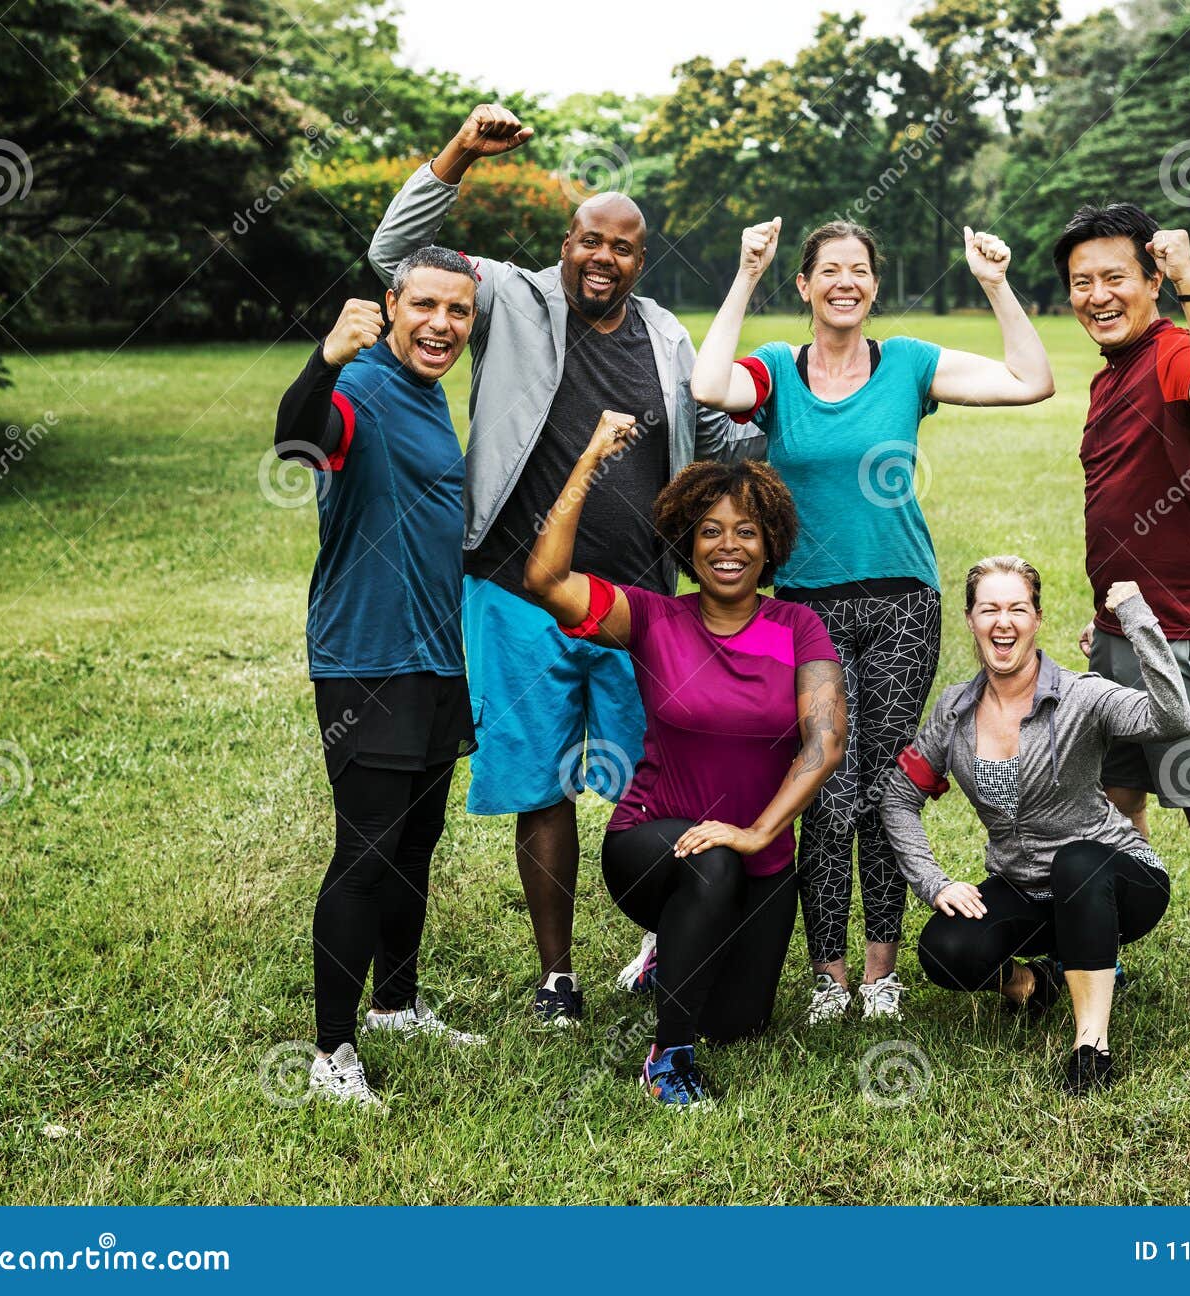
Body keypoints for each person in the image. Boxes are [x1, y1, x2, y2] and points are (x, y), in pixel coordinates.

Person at [366, 104, 761, 1028]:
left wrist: (798, 430)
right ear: (566, 244)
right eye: (589, 241)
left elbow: (713, 431)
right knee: (541, 787)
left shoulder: (666, 335)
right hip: (514, 593)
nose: (602, 259)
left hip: (636, 604)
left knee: (653, 782)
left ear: (640, 260)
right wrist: (459, 152)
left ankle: (664, 946)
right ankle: (556, 977)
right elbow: (396, 258)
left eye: (622, 248)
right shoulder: (509, 296)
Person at [684, 216, 1054, 1025]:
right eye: (829, 270)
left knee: (886, 787)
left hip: (900, 604)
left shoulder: (910, 365)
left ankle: (881, 975)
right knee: (826, 786)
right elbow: (709, 386)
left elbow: (1032, 380)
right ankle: (830, 978)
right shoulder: (778, 371)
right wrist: (747, 272)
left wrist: (995, 283)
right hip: (807, 608)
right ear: (807, 285)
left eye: (860, 270)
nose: (846, 282)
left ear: (873, 286)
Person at [523, 412, 846, 1106]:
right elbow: (546, 579)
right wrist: (587, 463)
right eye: (710, 531)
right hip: (651, 845)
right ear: (686, 542)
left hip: (760, 859)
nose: (728, 547)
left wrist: (759, 832)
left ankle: (672, 958)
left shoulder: (799, 626)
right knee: (711, 859)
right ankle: (666, 1059)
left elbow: (826, 743)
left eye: (746, 532)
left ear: (771, 545)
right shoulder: (651, 617)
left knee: (740, 1024)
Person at [274, 246, 486, 1109]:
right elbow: (296, 436)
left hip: (436, 658)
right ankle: (331, 1053)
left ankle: (395, 1001)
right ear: (392, 305)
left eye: (460, 312)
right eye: (426, 305)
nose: (442, 324)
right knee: (365, 853)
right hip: (370, 660)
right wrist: (324, 357)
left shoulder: (430, 397)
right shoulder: (357, 385)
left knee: (413, 845)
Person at [1053, 203, 1190, 1047]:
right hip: (1121, 635)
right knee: (1117, 803)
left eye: (1115, 277)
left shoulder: (1174, 345)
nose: (1098, 295)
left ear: (1150, 280)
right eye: (1082, 283)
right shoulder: (1111, 372)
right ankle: (1115, 952)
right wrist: (1106, 610)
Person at [881, 557, 1190, 1094]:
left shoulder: (1080, 695)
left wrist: (1139, 620)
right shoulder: (954, 711)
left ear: (1038, 619)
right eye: (989, 609)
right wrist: (933, 881)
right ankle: (1034, 984)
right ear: (970, 620)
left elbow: (1172, 718)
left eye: (1017, 609)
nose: (1004, 622)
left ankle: (1090, 1047)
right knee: (944, 949)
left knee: (1076, 861)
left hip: (1118, 882)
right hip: (1027, 888)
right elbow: (897, 796)